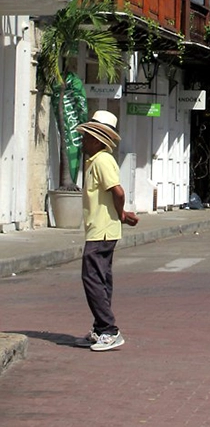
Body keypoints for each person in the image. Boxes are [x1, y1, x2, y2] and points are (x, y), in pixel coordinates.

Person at [76, 110, 138, 351]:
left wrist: (121, 214)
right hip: (101, 229)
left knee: (91, 278)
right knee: (101, 279)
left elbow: (118, 191)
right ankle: (101, 329)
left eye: (87, 136)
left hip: (101, 231)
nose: (84, 140)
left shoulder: (102, 161)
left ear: (99, 140)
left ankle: (109, 330)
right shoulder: (96, 161)